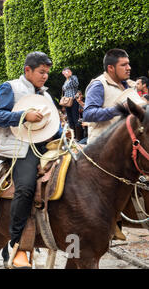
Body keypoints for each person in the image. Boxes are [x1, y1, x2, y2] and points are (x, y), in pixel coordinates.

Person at [0, 51, 61, 269]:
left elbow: (53, 124)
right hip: (19, 148)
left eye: (47, 73)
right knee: (26, 187)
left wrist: (63, 134)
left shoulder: (47, 95)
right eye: (41, 72)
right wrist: (23, 116)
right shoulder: (9, 88)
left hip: (45, 146)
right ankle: (18, 243)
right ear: (27, 70)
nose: (45, 76)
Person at [83, 48, 136, 241]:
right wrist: (116, 110)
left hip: (125, 146)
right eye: (124, 65)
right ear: (111, 68)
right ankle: (106, 224)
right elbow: (88, 114)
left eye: (128, 63)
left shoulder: (129, 86)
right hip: (102, 149)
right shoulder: (99, 85)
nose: (129, 68)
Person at [61, 67, 81, 137]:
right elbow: (64, 91)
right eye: (65, 72)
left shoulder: (74, 77)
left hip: (73, 100)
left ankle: (78, 137)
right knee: (69, 119)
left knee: (75, 118)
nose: (66, 73)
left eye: (68, 71)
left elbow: (76, 84)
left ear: (70, 72)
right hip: (67, 102)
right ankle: (73, 136)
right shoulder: (65, 81)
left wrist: (70, 76)